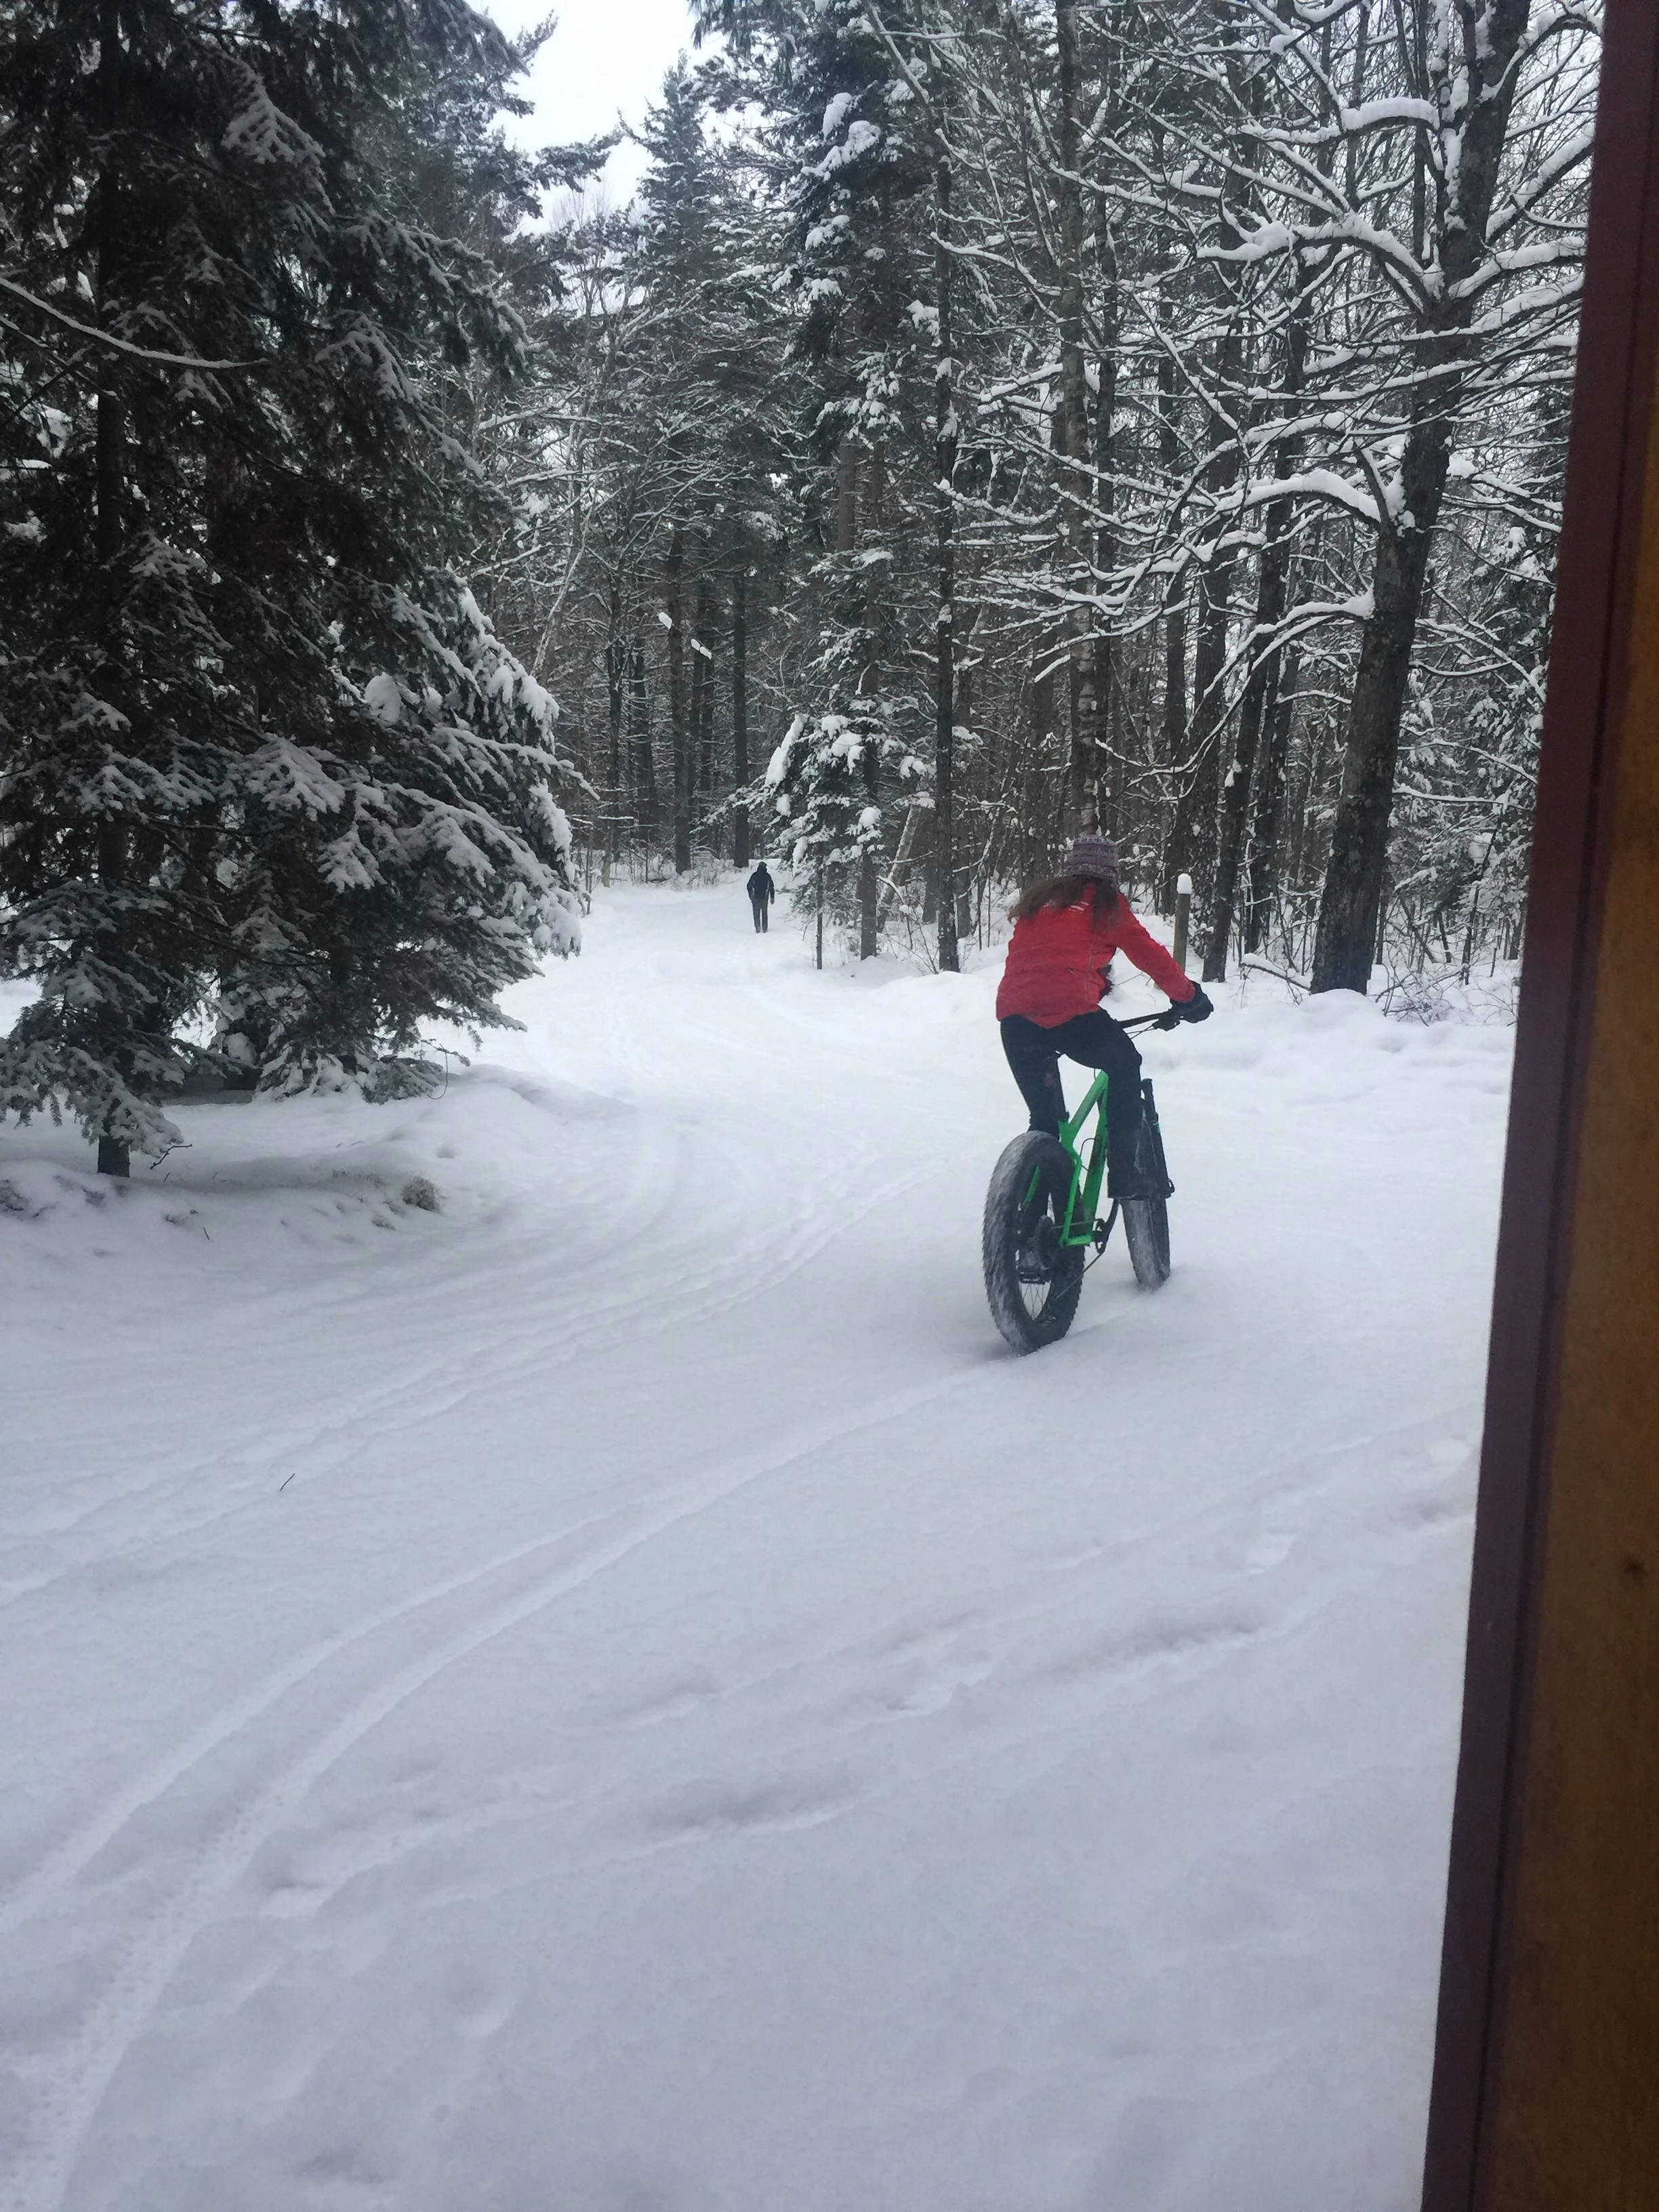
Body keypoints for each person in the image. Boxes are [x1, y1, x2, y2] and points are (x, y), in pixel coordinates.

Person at [996, 834, 1212, 1199]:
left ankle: (1030, 1225)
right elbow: (1150, 954)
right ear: (1111, 873)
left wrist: (1094, 983)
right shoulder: (1104, 904)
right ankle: (1126, 1175)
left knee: (1045, 1122)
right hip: (1071, 1017)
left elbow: (1041, 960)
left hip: (1016, 1020)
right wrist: (1188, 997)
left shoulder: (1039, 903)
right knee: (1125, 1063)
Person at [746, 859, 776, 933]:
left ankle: (758, 928)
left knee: (756, 914)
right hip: (764, 898)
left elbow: (748, 885)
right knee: (764, 913)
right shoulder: (767, 876)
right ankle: (765, 928)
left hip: (755, 898)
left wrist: (751, 895)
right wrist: (772, 897)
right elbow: (771, 887)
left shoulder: (754, 875)